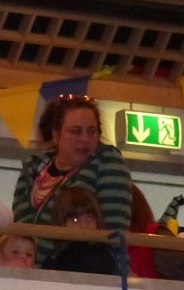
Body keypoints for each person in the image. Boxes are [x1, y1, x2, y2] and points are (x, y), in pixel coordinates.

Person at [12, 95, 132, 265]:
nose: (85, 139)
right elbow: (19, 225)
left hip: (85, 271)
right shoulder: (33, 166)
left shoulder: (107, 161)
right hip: (28, 271)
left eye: (92, 131)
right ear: (56, 135)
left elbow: (114, 231)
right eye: (76, 131)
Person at [41, 185, 122, 275]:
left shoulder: (106, 257)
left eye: (89, 218)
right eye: (75, 220)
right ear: (61, 223)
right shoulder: (53, 261)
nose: (84, 226)